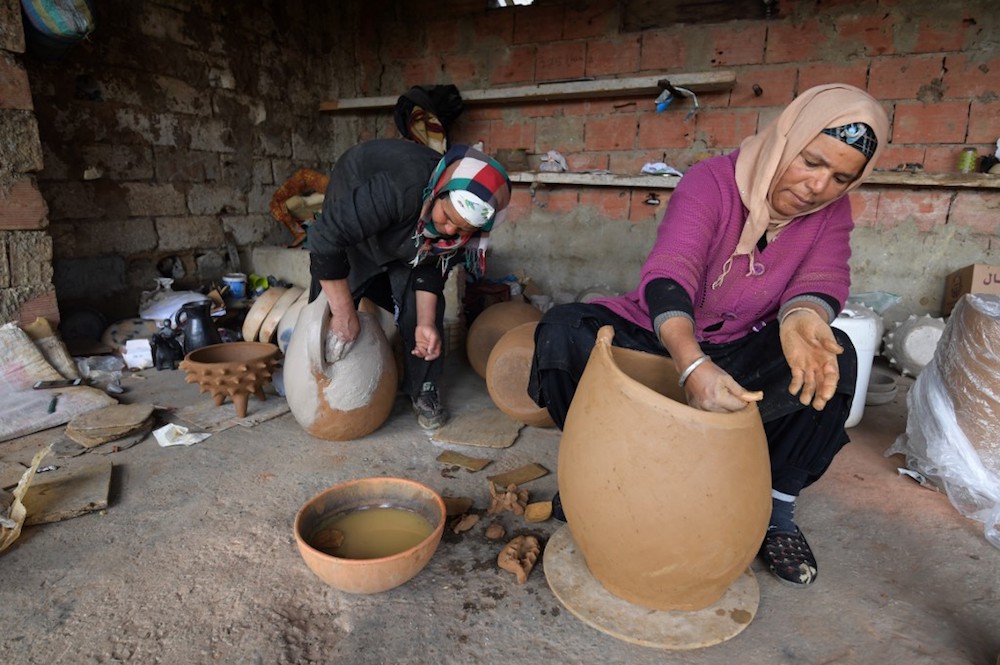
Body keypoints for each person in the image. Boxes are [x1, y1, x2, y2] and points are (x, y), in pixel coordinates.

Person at [529, 84, 889, 587]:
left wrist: (802, 319)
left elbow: (823, 279)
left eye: (840, 178)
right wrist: (692, 363)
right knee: (563, 333)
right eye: (811, 161)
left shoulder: (831, 214)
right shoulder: (712, 182)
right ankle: (598, 467)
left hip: (743, 343)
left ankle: (775, 508)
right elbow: (671, 269)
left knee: (834, 358)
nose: (818, 186)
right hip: (661, 333)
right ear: (787, 139)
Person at [308, 139, 511, 430]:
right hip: (356, 201)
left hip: (410, 234)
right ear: (439, 192)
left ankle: (423, 388)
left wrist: (425, 324)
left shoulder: (455, 232)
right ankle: (317, 389)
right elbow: (325, 238)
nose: (451, 230)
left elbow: (429, 272)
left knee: (423, 311)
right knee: (331, 313)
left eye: (464, 229)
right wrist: (342, 314)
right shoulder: (401, 187)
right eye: (448, 217)